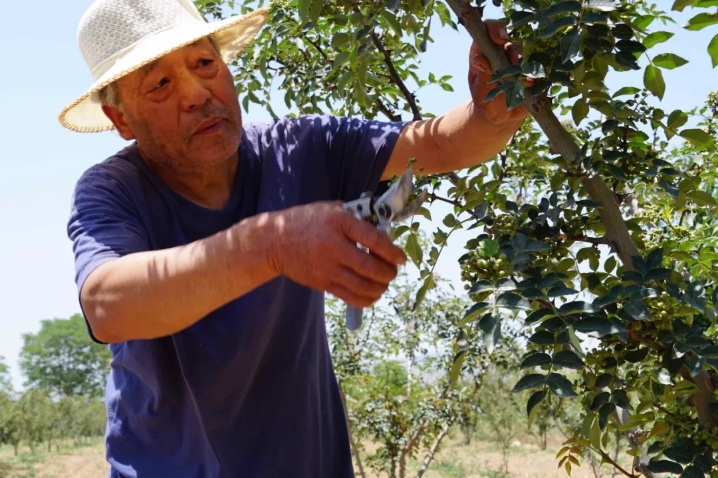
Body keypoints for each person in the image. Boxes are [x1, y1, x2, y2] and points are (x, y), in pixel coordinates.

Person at [59, 0, 528, 476]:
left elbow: (441, 144)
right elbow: (108, 307)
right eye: (159, 84)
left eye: (205, 63)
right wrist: (272, 243)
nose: (197, 94)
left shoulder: (299, 150)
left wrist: (492, 114)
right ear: (121, 121)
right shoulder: (114, 191)